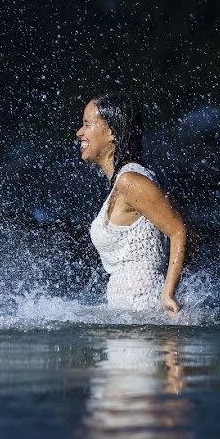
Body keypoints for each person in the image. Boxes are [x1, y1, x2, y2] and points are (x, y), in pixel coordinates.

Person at [76, 93, 186, 314]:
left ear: (112, 133)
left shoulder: (131, 180)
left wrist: (168, 294)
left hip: (141, 308)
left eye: (87, 124)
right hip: (132, 313)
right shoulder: (126, 180)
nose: (80, 132)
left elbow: (179, 231)